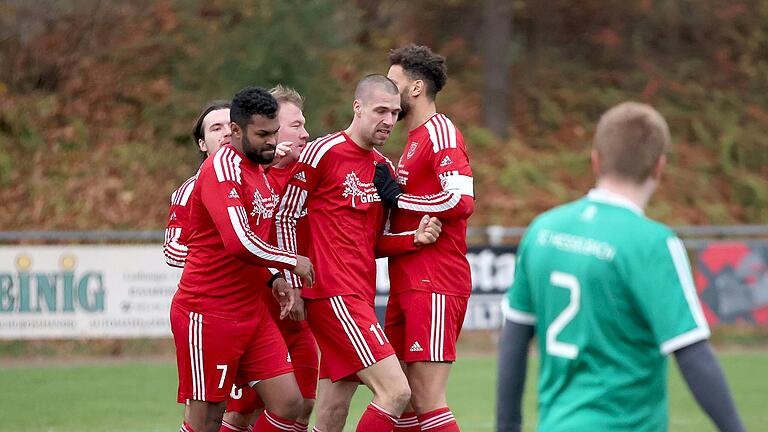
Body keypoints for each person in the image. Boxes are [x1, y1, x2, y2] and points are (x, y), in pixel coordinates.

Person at [496, 102, 746, 432]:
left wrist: (507, 427)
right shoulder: (652, 243)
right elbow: (692, 353)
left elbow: (513, 340)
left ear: (596, 160)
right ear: (659, 167)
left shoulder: (542, 230)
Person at [274, 74, 443, 432]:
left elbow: (374, 242)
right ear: (357, 107)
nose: (388, 120)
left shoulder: (383, 168)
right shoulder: (322, 153)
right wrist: (293, 282)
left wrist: (415, 238)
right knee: (396, 393)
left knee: (333, 410)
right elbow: (285, 216)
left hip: (359, 296)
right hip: (333, 294)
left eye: (395, 113)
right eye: (380, 110)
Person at [171, 86, 315, 432]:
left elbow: (254, 237)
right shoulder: (222, 169)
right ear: (236, 131)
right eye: (262, 134)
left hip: (250, 313)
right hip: (208, 313)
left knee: (290, 403)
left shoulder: (255, 168)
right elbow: (238, 242)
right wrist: (290, 261)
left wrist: (272, 278)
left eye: (274, 133)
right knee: (208, 419)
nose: (270, 141)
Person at [372, 44, 475, 432]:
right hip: (409, 281)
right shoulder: (415, 140)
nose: (385, 92)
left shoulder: (441, 131)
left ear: (415, 88)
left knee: (428, 399)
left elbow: (461, 199)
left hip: (435, 280)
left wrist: (399, 196)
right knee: (404, 400)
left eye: (392, 83)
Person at [222, 85, 318, 432]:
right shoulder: (247, 174)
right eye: (295, 125)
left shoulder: (309, 168)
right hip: (260, 308)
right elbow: (243, 237)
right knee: (241, 411)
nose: (304, 133)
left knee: (303, 403)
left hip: (295, 306)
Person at [164, 101, 231, 268]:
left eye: (233, 126)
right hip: (214, 290)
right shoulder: (190, 190)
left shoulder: (261, 178)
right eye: (217, 128)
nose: (228, 132)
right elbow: (172, 249)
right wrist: (219, 258)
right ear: (202, 144)